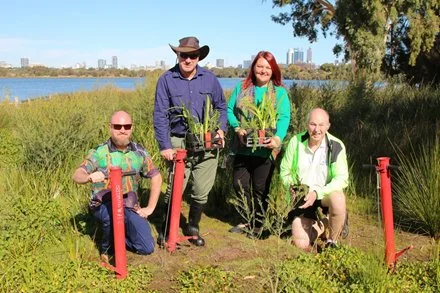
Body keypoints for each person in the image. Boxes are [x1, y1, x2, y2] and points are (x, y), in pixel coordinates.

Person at [153, 36, 227, 247]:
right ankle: (167, 228)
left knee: (202, 188)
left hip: (207, 141)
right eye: (183, 55)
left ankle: (193, 227)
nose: (188, 60)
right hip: (179, 142)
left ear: (198, 56)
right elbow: (160, 115)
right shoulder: (166, 79)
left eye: (192, 55)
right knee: (176, 187)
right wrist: (165, 146)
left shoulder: (210, 79)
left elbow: (221, 106)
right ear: (177, 55)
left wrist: (221, 129)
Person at [72, 111, 162, 260]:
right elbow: (77, 175)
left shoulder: (139, 153)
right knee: (110, 216)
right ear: (110, 127)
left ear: (131, 128)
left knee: (146, 247)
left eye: (126, 126)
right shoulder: (99, 152)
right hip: (103, 203)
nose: (122, 130)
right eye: (118, 126)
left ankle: (120, 234)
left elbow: (156, 177)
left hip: (128, 204)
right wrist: (89, 177)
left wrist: (150, 208)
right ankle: (106, 248)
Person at [227, 51, 291, 238]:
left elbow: (284, 117)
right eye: (260, 66)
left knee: (260, 188)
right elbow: (230, 110)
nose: (263, 70)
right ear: (253, 67)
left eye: (267, 67)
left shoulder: (279, 93)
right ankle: (246, 218)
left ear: (273, 70)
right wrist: (237, 128)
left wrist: (277, 138)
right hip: (244, 146)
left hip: (266, 150)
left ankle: (259, 224)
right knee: (239, 184)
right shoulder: (242, 88)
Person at [280, 108, 348, 251]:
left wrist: (317, 193)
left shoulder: (336, 145)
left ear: (328, 126)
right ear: (307, 125)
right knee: (301, 244)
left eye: (321, 125)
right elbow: (284, 171)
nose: (317, 129)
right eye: (313, 124)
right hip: (303, 196)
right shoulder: (295, 141)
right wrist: (292, 185)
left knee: (339, 199)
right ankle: (323, 224)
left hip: (324, 194)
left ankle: (332, 241)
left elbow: (342, 179)